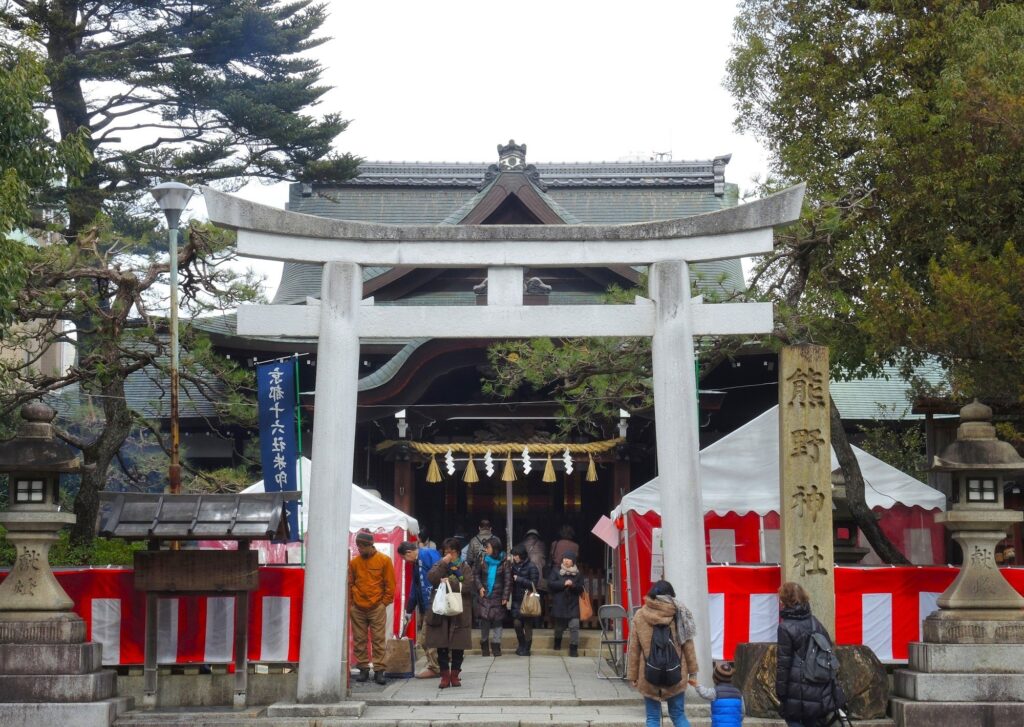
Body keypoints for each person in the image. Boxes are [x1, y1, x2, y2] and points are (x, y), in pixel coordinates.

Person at [626, 579, 699, 727]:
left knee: (652, 718)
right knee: (678, 715)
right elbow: (688, 645)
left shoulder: (640, 615)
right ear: (671, 595)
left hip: (649, 675)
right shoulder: (679, 613)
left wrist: (633, 675)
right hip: (676, 673)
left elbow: (634, 648)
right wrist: (692, 672)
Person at [775, 582, 845, 727]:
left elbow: (784, 664)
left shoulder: (785, 627)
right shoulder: (815, 623)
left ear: (786, 601)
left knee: (794, 722)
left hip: (796, 691)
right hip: (818, 688)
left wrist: (781, 692)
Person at [425, 537, 477, 689]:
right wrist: (443, 562)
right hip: (441, 610)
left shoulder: (464, 566)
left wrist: (449, 582)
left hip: (459, 610)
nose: (449, 555)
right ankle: (444, 676)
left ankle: (454, 675)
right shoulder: (439, 564)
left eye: (451, 552)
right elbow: (432, 578)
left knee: (457, 645)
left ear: (458, 552)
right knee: (441, 644)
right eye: (446, 552)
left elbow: (468, 585)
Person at [348, 530, 396, 685]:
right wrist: (351, 604)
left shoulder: (384, 560)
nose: (359, 549)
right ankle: (363, 668)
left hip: (377, 607)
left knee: (378, 639)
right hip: (358, 607)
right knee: (359, 639)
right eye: (358, 546)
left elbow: (390, 584)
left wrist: (383, 604)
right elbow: (350, 583)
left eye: (362, 546)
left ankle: (379, 670)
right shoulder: (354, 563)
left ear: (370, 545)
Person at [397, 540, 442, 679]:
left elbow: (440, 573)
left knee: (426, 639)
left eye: (404, 557)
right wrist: (409, 610)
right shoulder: (416, 563)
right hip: (426, 606)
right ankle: (438, 665)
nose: (405, 561)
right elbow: (414, 588)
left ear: (409, 552)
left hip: (434, 603)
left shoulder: (428, 554)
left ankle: (436, 668)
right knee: (429, 638)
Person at [475, 536, 512, 657]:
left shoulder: (505, 561)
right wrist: (480, 587)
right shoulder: (482, 559)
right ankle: (484, 644)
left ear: (495, 548)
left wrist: (505, 596)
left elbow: (508, 581)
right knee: (485, 620)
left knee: (497, 621)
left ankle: (496, 646)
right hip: (485, 594)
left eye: (488, 547)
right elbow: (476, 575)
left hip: (498, 595)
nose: (486, 549)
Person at [547, 550, 583, 656]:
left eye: (569, 559)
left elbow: (581, 588)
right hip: (560, 603)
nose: (566, 561)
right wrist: (563, 583)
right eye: (565, 558)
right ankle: (557, 642)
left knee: (575, 626)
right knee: (559, 627)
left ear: (573, 561)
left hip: (573, 604)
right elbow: (550, 584)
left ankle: (573, 648)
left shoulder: (578, 573)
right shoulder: (556, 571)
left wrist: (573, 585)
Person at [509, 543, 541, 656]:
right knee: (517, 624)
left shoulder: (532, 566)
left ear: (521, 555)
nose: (514, 557)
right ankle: (521, 644)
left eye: (515, 555)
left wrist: (519, 579)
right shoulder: (513, 566)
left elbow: (534, 584)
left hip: (528, 600)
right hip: (517, 599)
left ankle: (527, 648)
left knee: (527, 624)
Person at [693, 662, 744, 727]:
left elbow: (704, 692)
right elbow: (742, 712)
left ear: (715, 678)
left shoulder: (715, 692)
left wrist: (696, 685)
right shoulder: (738, 693)